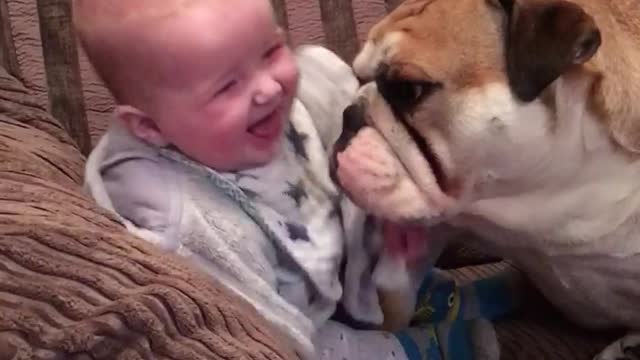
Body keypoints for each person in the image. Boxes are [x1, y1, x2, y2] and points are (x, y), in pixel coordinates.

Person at [75, 0, 517, 359]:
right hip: (299, 323)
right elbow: (250, 332)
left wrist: (382, 246)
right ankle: (417, 347)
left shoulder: (289, 102)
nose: (268, 87)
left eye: (270, 52)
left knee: (400, 244)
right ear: (150, 127)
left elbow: (345, 173)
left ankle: (428, 297)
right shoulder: (173, 216)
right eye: (226, 87)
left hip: (336, 270)